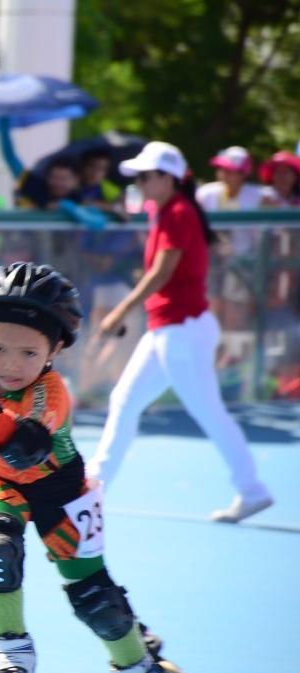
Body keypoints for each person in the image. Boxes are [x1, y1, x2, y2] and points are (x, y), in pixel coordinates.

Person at [0, 230, 182, 673]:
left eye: (29, 352)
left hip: (59, 489)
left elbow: (23, 448)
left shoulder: (50, 394)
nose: (10, 364)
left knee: (95, 599)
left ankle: (138, 665)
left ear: (55, 348)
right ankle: (10, 651)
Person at [89, 142, 274, 523]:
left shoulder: (177, 212)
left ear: (168, 178)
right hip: (169, 330)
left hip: (182, 331)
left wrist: (120, 311)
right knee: (124, 400)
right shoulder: (165, 210)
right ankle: (92, 488)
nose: (140, 182)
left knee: (208, 411)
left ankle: (252, 489)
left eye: (145, 176)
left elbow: (161, 272)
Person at [196, 146, 263, 210]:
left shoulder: (261, 197)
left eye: (229, 170)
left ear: (243, 174)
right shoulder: (204, 194)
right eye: (221, 168)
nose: (223, 174)